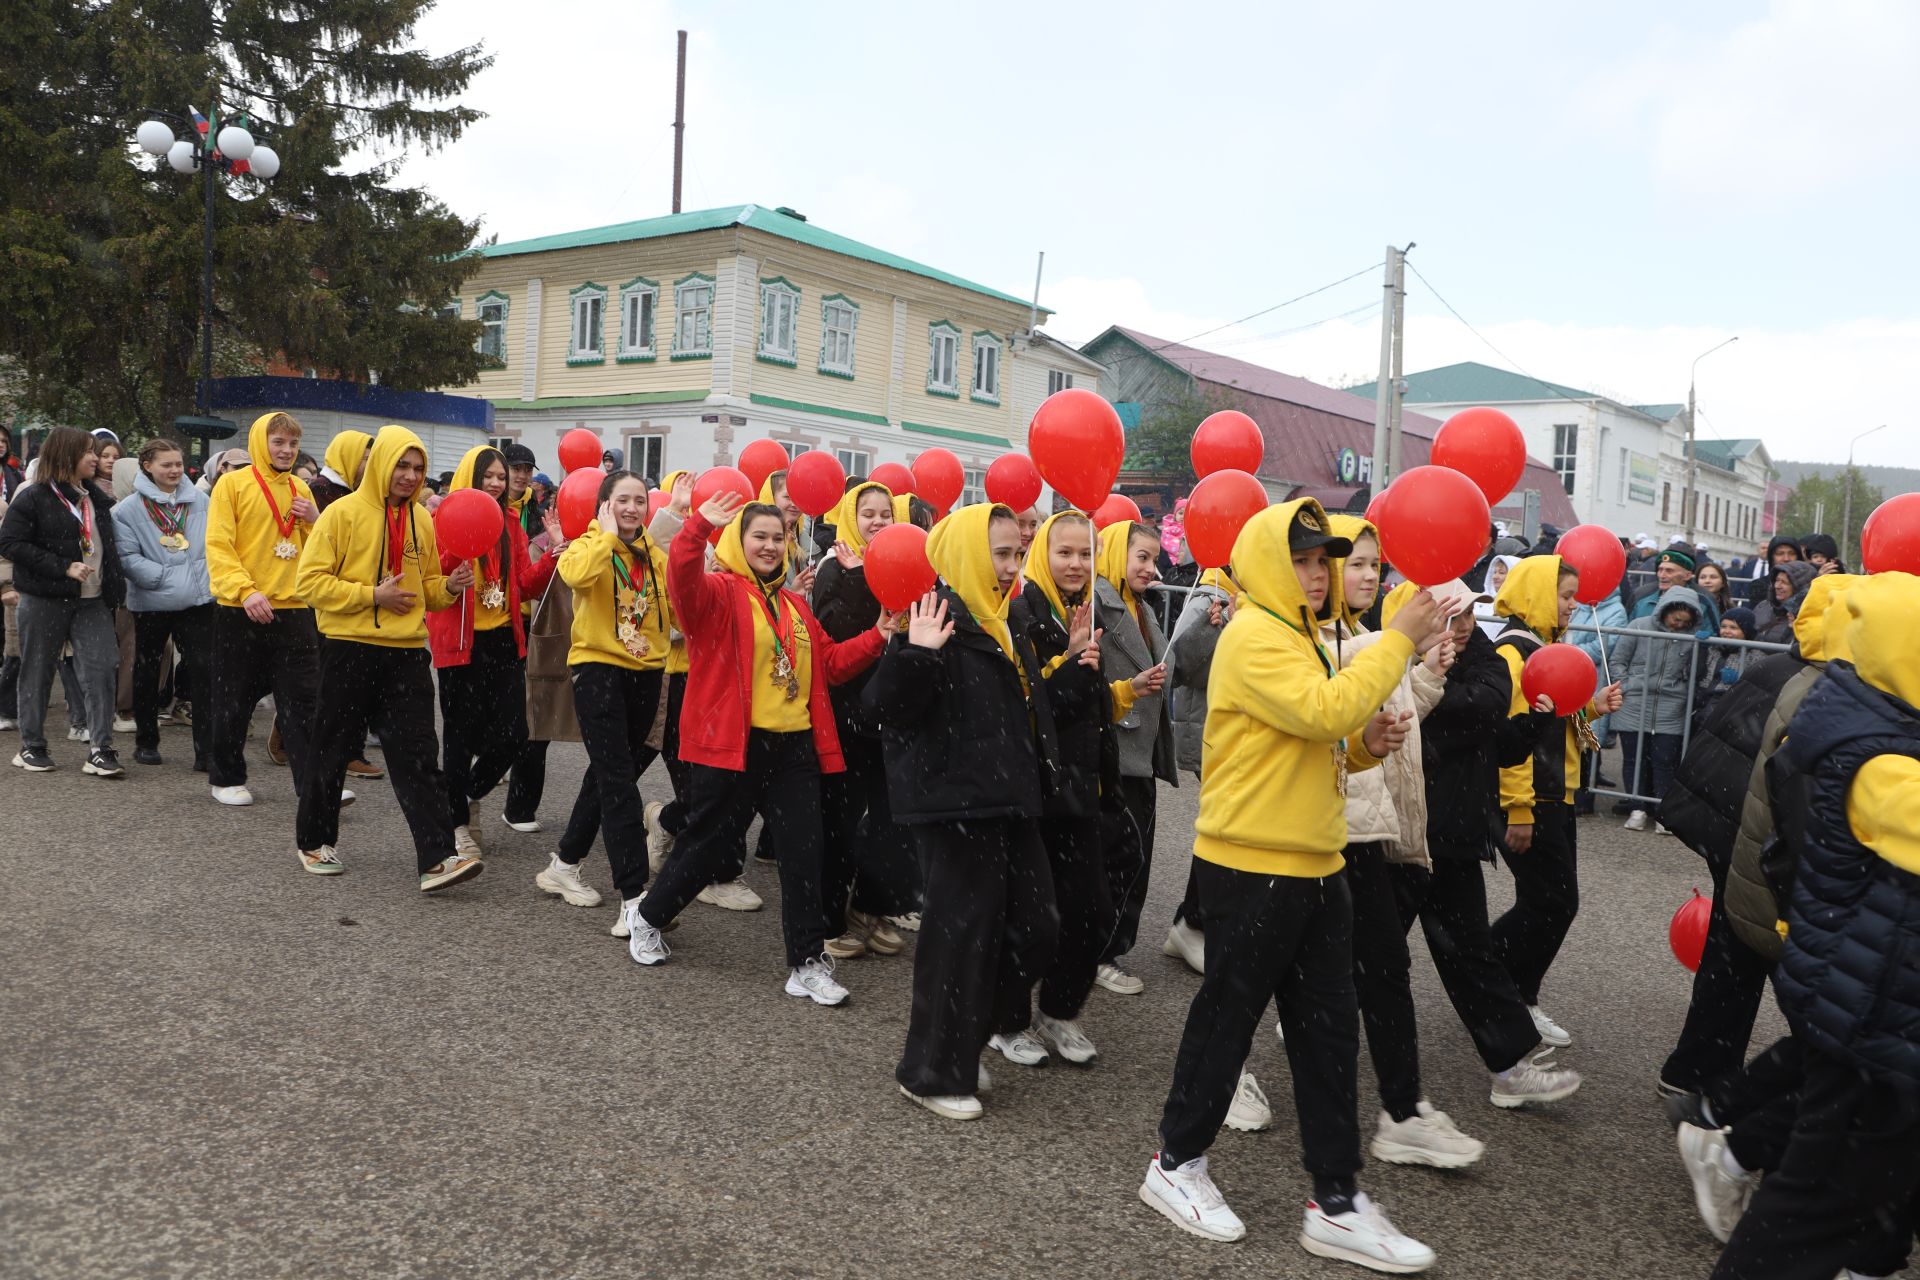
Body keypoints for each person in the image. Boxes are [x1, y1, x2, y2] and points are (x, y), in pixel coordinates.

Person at [1139, 499, 1446, 1269]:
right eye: (1305, 559)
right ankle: (1175, 1165)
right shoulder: (1253, 635)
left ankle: (1336, 1200)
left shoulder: (1300, 637)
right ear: (1276, 563)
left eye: (1324, 560)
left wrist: (1366, 746)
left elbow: (1317, 737)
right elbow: (1325, 709)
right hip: (1252, 866)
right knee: (1227, 1021)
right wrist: (1398, 646)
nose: (1319, 573)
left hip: (1314, 862)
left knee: (1327, 1035)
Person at [1708, 571, 1920, 1279]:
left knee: (1852, 1190)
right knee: (1811, 1200)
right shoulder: (1876, 760)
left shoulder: (1878, 722)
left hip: (1877, 1009)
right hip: (1868, 1017)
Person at [632, 489, 888, 1005]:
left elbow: (832, 663)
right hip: (733, 747)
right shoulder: (717, 593)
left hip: (794, 749)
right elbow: (680, 578)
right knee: (707, 847)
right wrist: (696, 526)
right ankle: (648, 916)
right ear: (739, 541)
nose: (770, 546)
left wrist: (879, 633)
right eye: (759, 537)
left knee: (803, 853)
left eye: (778, 537)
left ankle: (807, 962)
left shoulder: (794, 604)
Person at [864, 502, 1061, 1118]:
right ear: (968, 555)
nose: (1011, 565)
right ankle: (930, 1071)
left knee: (1038, 927)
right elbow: (877, 712)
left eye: (1016, 553)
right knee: (959, 939)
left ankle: (970, 1036)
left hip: (1007, 800)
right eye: (999, 554)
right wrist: (915, 653)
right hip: (952, 804)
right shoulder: (934, 613)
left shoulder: (1008, 615)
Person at [1658, 576, 1857, 1104]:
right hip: (1761, 844)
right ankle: (1770, 1100)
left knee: (1732, 958)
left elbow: (1717, 729)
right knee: (1792, 973)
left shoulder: (1777, 665)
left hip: (1731, 832)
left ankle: (1696, 1071)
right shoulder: (1826, 689)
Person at [293, 425, 477, 886]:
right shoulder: (341, 514)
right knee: (331, 749)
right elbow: (309, 583)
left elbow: (426, 592)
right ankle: (314, 842)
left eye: (418, 468)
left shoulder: (422, 521)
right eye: (402, 465)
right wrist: (371, 595)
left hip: (406, 653)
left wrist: (449, 589)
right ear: (381, 464)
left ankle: (438, 858)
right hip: (348, 648)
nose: (411, 476)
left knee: (418, 754)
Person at [1489, 555, 1623, 1048]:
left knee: (1547, 901)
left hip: (1556, 793)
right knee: (1555, 902)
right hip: (1534, 797)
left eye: (1572, 597)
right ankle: (1491, 979)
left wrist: (1592, 708)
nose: (1571, 606)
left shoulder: (1548, 647)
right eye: (1564, 596)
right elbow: (1513, 741)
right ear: (1538, 594)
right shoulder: (1514, 653)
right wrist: (1519, 809)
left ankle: (1512, 992)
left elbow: (1562, 722)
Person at [1004, 509, 1118, 1067]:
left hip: (1082, 791)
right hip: (1037, 792)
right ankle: (1006, 1020)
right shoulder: (1023, 612)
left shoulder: (1085, 610)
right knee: (1032, 918)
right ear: (1041, 553)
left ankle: (1058, 1009)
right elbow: (1035, 707)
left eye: (1084, 554)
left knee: (1092, 912)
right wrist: (1071, 666)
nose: (1075, 564)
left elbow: (1091, 706)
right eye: (1064, 553)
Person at [534, 468, 674, 919]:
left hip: (647, 671)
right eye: (623, 500)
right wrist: (606, 536)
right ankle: (635, 897)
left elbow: (674, 611)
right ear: (605, 505)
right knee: (617, 785)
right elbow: (574, 576)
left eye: (639, 501)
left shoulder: (655, 557)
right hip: (598, 671)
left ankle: (564, 863)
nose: (632, 508)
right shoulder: (588, 545)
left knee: (610, 775)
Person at [427, 446, 561, 858]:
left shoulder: (511, 523)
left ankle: (463, 796)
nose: (497, 483)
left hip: (505, 640)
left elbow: (524, 582)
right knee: (459, 740)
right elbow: (435, 575)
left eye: (501, 477)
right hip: (462, 644)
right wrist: (455, 566)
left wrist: (555, 554)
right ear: (472, 476)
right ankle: (456, 826)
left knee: (515, 734)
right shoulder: (443, 518)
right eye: (489, 475)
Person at [810, 479, 913, 956]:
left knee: (892, 817)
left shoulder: (903, 561)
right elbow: (836, 640)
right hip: (847, 713)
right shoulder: (834, 568)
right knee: (844, 820)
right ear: (851, 517)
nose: (877, 521)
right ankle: (828, 918)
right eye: (867, 513)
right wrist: (857, 578)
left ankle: (871, 905)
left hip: (891, 712)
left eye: (885, 513)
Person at [203, 412, 323, 808]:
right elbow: (219, 546)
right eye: (279, 443)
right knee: (233, 699)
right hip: (241, 610)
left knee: (304, 702)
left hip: (294, 610)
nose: (287, 451)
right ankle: (226, 777)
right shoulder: (232, 485)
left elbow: (319, 551)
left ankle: (314, 785)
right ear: (260, 442)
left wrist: (315, 521)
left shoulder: (302, 489)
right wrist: (245, 591)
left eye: (292, 444)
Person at [0, 427, 125, 776]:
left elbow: (107, 549)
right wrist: (61, 567)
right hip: (44, 599)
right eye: (89, 452)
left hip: (93, 601)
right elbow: (9, 543)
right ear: (67, 455)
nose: (96, 458)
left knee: (102, 668)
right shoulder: (33, 496)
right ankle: (32, 746)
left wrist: (117, 587)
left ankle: (101, 749)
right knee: (37, 671)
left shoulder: (97, 498)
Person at [1091, 519, 1173, 995]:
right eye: (1141, 556)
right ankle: (1103, 952)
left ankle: (1109, 946)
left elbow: (1170, 670)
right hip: (1118, 746)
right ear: (1117, 553)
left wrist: (1204, 629)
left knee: (1133, 855)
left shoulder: (1142, 606)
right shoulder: (1100, 603)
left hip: (1141, 750)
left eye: (1154, 558)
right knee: (1120, 857)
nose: (1152, 567)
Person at [110, 439, 213, 770]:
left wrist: (202, 580)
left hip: (198, 601)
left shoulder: (201, 501)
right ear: (147, 466)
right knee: (147, 670)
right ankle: (146, 741)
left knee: (203, 672)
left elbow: (216, 544)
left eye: (178, 464)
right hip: (152, 602)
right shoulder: (127, 510)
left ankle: (206, 750)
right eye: (166, 465)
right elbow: (127, 558)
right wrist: (166, 579)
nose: (174, 470)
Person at [1161, 563, 1241, 972]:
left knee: (1227, 831)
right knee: (1222, 832)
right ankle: (1192, 922)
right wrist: (1217, 629)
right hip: (1216, 733)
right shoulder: (1208, 596)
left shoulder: (1248, 601)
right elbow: (1177, 666)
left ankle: (1195, 921)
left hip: (1237, 735)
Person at [1611, 585, 1706, 831]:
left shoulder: (1693, 637)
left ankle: (1662, 810)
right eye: (1676, 619)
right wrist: (1628, 686)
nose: (1678, 625)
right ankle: (1637, 808)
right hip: (1634, 701)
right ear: (1665, 611)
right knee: (1633, 758)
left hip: (1671, 704)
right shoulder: (1638, 626)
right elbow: (1618, 660)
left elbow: (1697, 673)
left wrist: (1701, 648)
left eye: (1684, 622)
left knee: (1665, 760)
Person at [1631, 548, 1719, 637]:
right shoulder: (1642, 596)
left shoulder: (1703, 601)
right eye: (1660, 570)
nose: (1662, 575)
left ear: (1687, 576)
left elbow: (1713, 634)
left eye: (1669, 571)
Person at [1753, 559, 1815, 645]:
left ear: (1799, 588)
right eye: (1777, 580)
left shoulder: (1806, 617)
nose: (1777, 586)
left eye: (1784, 582)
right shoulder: (1762, 606)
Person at [310, 431, 371, 510]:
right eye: (366, 459)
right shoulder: (320, 488)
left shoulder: (360, 487)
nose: (370, 464)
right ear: (349, 459)